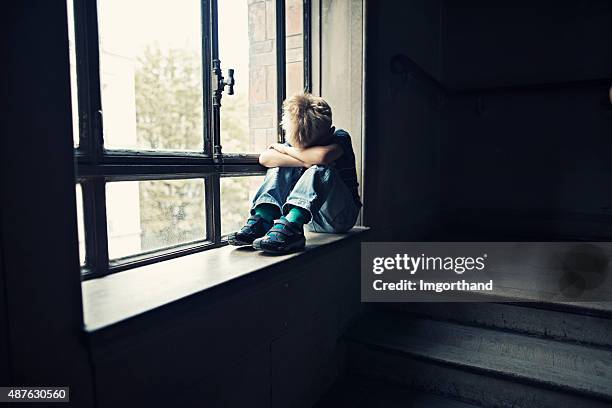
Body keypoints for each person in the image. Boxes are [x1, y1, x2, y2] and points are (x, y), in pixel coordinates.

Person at [228, 93, 361, 253]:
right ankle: (264, 218)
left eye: (309, 148)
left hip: (341, 218)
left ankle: (292, 227)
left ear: (330, 131)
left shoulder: (340, 136)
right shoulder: (296, 139)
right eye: (299, 147)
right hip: (308, 218)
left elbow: (323, 157)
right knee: (279, 166)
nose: (299, 150)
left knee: (322, 168)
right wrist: (304, 158)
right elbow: (265, 158)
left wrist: (285, 149)